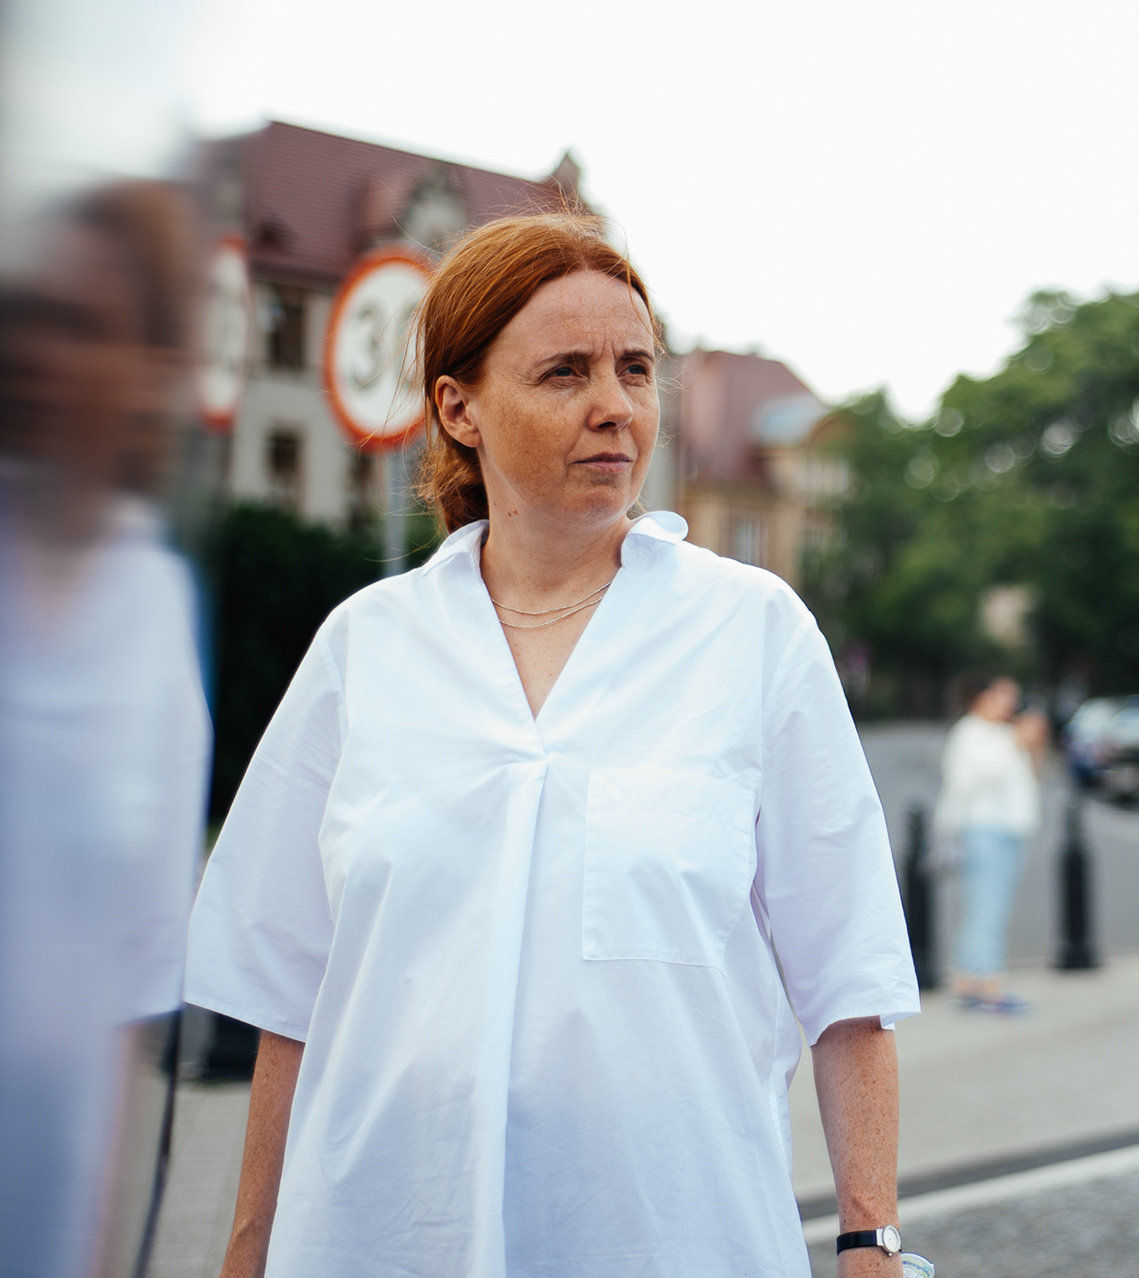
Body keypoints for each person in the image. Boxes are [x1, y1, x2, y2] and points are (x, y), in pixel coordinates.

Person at [183, 214, 920, 1278]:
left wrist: (871, 1241)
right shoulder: (365, 649)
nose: (614, 406)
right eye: (566, 372)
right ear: (459, 408)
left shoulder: (754, 634)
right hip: (381, 1238)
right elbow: (287, 1000)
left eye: (635, 369)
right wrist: (246, 1253)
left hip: (673, 1240)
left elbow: (850, 984)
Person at [0, 182, 210, 1278]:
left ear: (151, 371)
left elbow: (136, 986)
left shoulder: (154, 608)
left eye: (80, 326)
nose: (38, 353)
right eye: (30, 316)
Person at [934, 673, 1046, 1014]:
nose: (1010, 703)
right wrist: (1015, 742)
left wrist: (1032, 744)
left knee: (988, 906)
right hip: (982, 828)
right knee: (987, 907)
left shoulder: (1003, 733)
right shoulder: (969, 733)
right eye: (1003, 695)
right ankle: (989, 985)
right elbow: (969, 780)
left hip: (1010, 829)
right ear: (981, 698)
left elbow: (1029, 778)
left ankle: (967, 978)